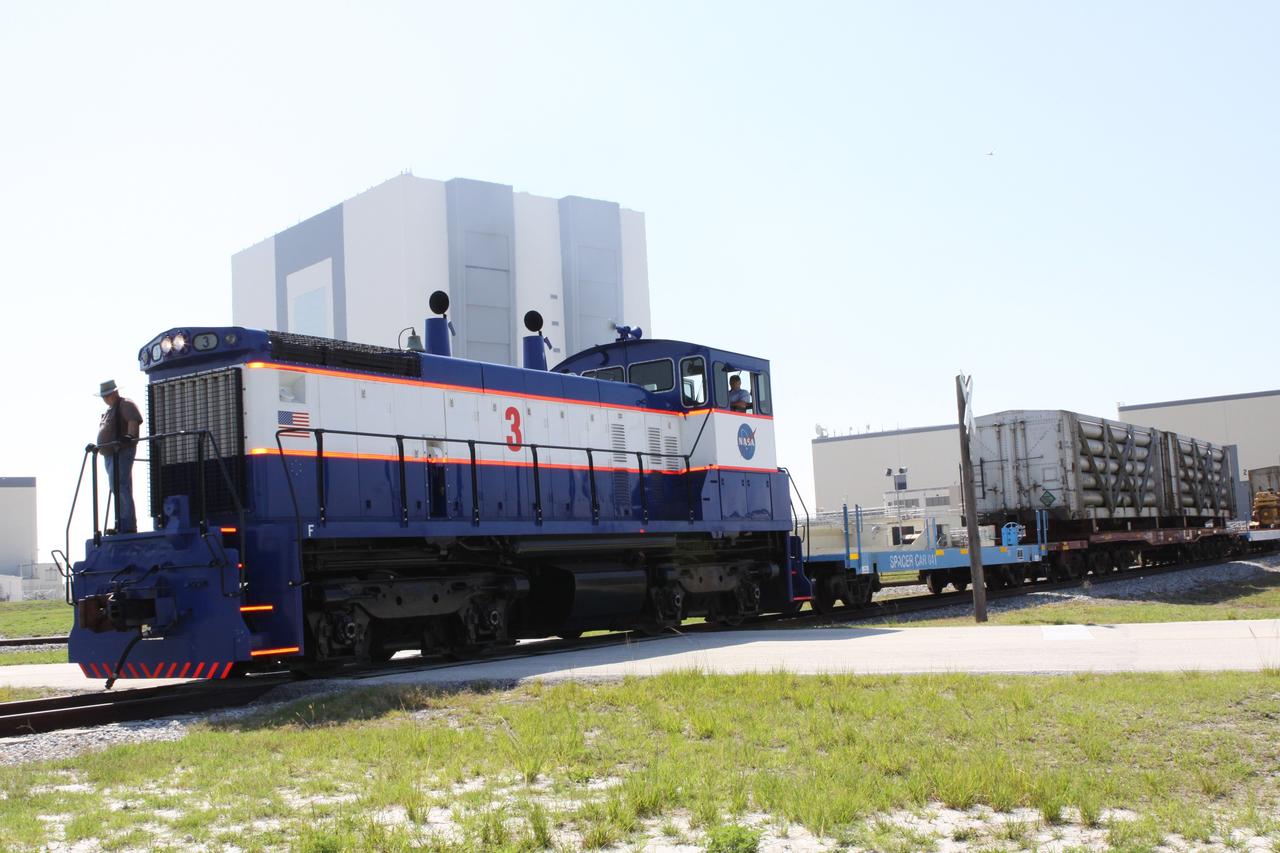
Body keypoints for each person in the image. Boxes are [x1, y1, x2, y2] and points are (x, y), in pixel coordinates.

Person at [96, 380, 143, 534]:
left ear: (115, 393)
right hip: (109, 455)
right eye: (104, 396)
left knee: (121, 486)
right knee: (116, 487)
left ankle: (127, 525)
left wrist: (130, 435)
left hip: (121, 452)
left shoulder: (126, 404)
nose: (106, 398)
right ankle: (121, 523)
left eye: (108, 395)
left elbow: (133, 420)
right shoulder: (110, 410)